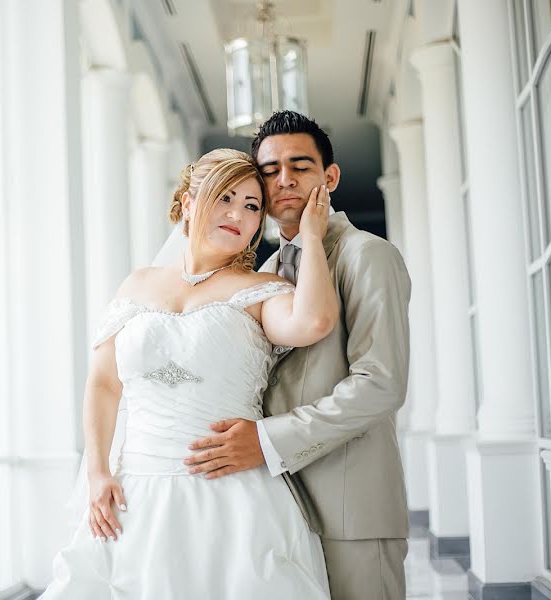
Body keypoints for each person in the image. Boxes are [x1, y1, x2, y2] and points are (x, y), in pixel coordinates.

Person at [40, 148, 338, 598]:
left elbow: (312, 322)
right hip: (134, 494)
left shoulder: (262, 290)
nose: (238, 214)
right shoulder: (136, 284)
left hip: (229, 495)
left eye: (253, 206)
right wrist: (99, 472)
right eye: (225, 197)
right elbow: (103, 384)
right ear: (187, 202)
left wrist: (312, 238)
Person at [182, 111, 411, 599]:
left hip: (352, 509)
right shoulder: (261, 273)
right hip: (272, 505)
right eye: (268, 170)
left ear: (329, 177)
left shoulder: (367, 255)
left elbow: (381, 383)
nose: (283, 180)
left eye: (300, 166)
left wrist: (266, 440)